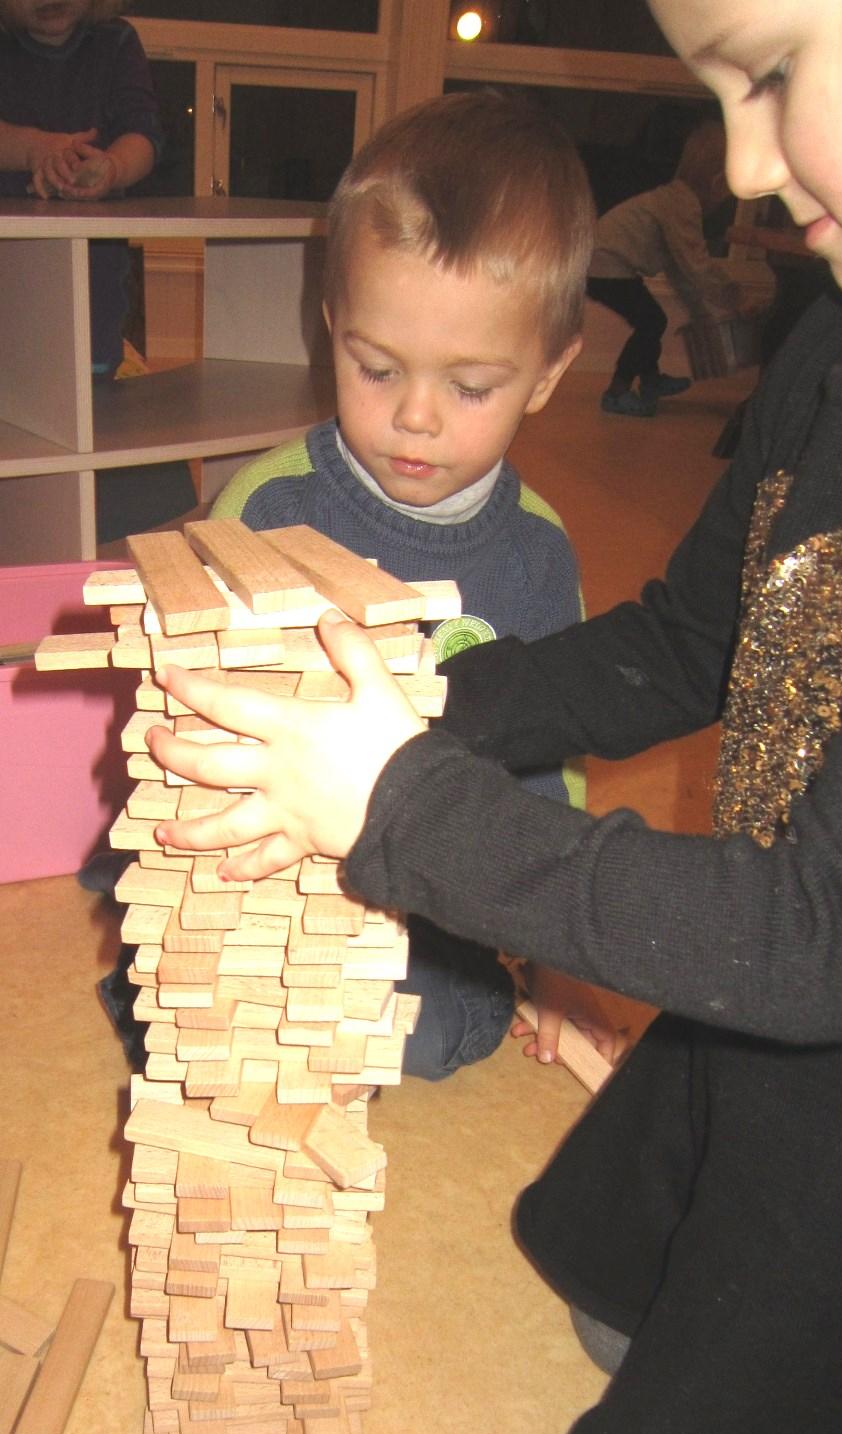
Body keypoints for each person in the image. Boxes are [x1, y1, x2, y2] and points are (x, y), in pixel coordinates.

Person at [143, 0, 842, 1434]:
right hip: (778, 979)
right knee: (602, 1264)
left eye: (774, 75)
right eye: (718, 92)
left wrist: (405, 806)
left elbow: (838, 932)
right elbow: (684, 639)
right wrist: (407, 721)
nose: (736, 165)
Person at [126, 90, 593, 1081]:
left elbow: (551, 779)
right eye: (374, 366)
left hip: (429, 890)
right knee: (147, 929)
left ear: (548, 373)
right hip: (271, 859)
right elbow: (188, 710)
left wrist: (559, 962)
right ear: (329, 323)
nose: (415, 417)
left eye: (470, 387)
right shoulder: (263, 503)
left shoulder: (539, 554)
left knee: (436, 1027)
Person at [0, 0, 162, 376]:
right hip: (10, 276)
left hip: (93, 279)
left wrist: (114, 166)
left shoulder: (115, 42)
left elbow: (144, 134)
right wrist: (34, 150)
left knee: (94, 389)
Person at [587, 117, 754, 416]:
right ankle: (617, 391)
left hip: (605, 265)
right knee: (652, 322)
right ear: (717, 182)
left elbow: (682, 270)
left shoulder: (675, 197)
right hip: (604, 266)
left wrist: (701, 308)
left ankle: (650, 380)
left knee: (650, 320)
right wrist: (732, 297)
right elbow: (696, 266)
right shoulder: (682, 205)